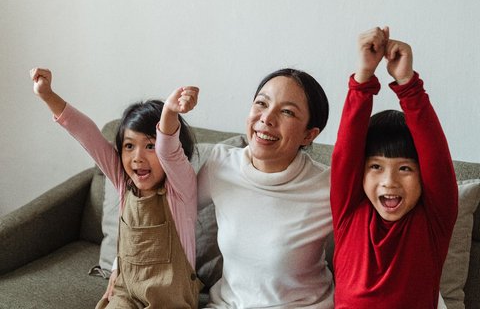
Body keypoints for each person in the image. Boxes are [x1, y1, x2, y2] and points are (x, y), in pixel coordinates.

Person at [30, 67, 202, 308]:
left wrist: (170, 112)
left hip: (171, 299)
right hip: (127, 292)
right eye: (129, 146)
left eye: (150, 146)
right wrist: (48, 95)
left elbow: (169, 149)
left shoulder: (180, 188)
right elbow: (86, 134)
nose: (137, 157)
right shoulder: (124, 182)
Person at [330, 27, 458, 308]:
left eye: (405, 169)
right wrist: (362, 78)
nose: (389, 181)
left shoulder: (434, 221)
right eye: (376, 166)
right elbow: (346, 152)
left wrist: (408, 84)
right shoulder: (349, 212)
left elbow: (435, 156)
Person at [198, 68, 334, 308]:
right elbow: (168, 213)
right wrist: (123, 266)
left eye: (287, 112)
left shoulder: (328, 185)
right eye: (261, 103)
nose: (267, 118)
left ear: (309, 135)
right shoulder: (220, 164)